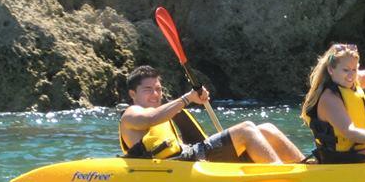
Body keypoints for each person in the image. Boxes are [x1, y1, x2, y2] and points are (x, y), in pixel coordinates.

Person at [120, 65, 304, 164]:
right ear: (132, 94)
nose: (155, 94)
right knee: (246, 129)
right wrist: (187, 98)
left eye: (158, 89)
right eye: (148, 90)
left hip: (189, 155)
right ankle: (280, 177)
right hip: (179, 164)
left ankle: (307, 167)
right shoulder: (132, 113)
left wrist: (195, 99)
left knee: (266, 128)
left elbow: (179, 142)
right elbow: (151, 119)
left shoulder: (162, 112)